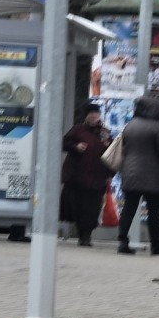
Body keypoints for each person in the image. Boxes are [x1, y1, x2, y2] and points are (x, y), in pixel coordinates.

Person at [117, 96, 159, 255]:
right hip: (151, 176)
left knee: (128, 209)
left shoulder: (130, 125)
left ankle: (122, 242)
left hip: (130, 173)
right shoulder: (156, 127)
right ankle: (156, 245)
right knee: (153, 212)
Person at [60, 103, 115, 247]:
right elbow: (64, 143)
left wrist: (110, 174)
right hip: (78, 177)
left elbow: (112, 154)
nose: (94, 117)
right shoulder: (78, 130)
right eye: (91, 115)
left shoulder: (105, 133)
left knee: (92, 209)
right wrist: (75, 146)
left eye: (96, 115)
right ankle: (82, 235)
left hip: (98, 178)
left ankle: (87, 236)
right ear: (86, 116)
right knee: (79, 207)